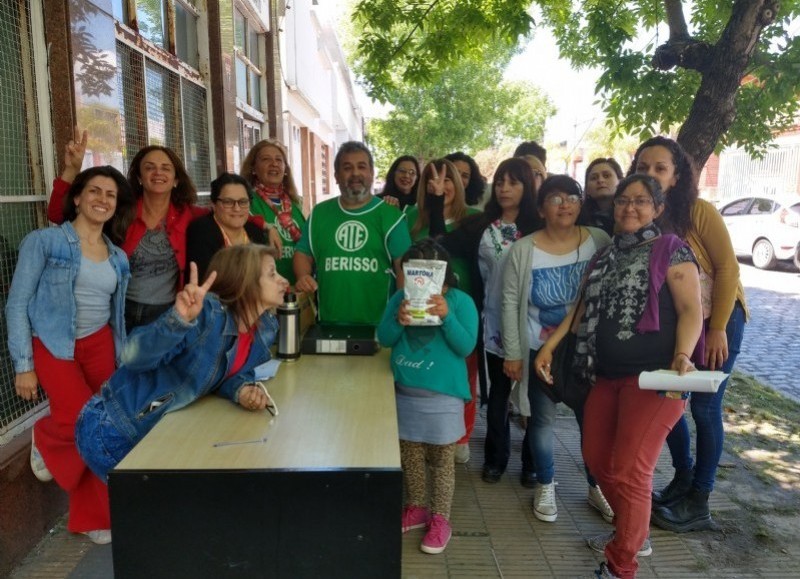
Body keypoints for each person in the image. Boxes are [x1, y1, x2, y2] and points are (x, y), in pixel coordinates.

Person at [534, 174, 704, 579]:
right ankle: (631, 530)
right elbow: (577, 310)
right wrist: (549, 345)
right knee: (596, 460)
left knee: (632, 470)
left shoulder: (671, 250)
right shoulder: (604, 255)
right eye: (624, 200)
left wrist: (683, 354)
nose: (630, 208)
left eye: (641, 201)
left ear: (658, 209)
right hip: (606, 377)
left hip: (656, 381)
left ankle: (622, 563)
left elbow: (691, 310)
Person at [75, 245, 288, 483]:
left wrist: (242, 389)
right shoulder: (207, 315)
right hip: (114, 426)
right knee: (153, 514)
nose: (283, 280)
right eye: (272, 274)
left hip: (155, 431)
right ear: (245, 281)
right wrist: (177, 321)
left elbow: (225, 369)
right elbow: (132, 357)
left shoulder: (264, 329)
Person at [6, 166, 135, 545]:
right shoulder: (44, 242)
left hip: (100, 344)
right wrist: (23, 366)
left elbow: (117, 314)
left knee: (103, 426)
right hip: (53, 342)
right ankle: (46, 435)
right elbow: (17, 304)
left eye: (110, 195)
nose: (102, 200)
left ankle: (94, 517)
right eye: (94, 191)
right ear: (77, 197)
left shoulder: (117, 257)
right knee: (84, 422)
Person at [629, 136, 749, 533]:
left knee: (704, 408)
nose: (650, 175)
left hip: (720, 320)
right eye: (643, 167)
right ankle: (683, 478)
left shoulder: (699, 211)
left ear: (677, 175)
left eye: (660, 168)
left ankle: (700, 499)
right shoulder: (647, 216)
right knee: (670, 400)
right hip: (682, 324)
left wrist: (717, 329)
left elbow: (728, 269)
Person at [48, 128, 276, 330]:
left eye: (166, 168)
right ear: (139, 177)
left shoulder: (188, 215)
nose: (158, 173)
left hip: (167, 313)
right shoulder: (121, 211)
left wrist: (265, 225)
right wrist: (71, 170)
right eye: (150, 168)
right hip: (119, 312)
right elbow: (58, 215)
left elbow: (227, 214)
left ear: (176, 179)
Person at [501, 175, 611, 523]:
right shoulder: (524, 249)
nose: (565, 204)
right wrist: (513, 353)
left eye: (572, 197)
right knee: (542, 421)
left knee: (592, 423)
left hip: (587, 352)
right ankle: (546, 484)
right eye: (555, 198)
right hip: (538, 351)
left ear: (581, 203)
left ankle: (598, 487)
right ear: (541, 208)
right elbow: (509, 302)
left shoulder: (598, 240)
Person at [433, 157, 543, 485]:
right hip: (493, 324)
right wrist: (438, 201)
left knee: (533, 396)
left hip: (535, 325)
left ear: (528, 187)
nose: (505, 189)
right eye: (500, 182)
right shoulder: (482, 225)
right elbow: (441, 242)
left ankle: (532, 462)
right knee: (497, 394)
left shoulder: (540, 227)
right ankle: (496, 459)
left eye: (514, 182)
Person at [377, 239, 479, 555]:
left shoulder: (461, 302)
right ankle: (416, 506)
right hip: (405, 393)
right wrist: (398, 318)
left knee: (441, 461)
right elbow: (384, 338)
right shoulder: (399, 299)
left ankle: (440, 518)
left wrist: (447, 316)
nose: (419, 282)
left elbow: (466, 347)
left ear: (444, 277)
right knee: (410, 456)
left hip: (443, 398)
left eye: (429, 275)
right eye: (411, 273)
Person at [406, 159, 481, 464]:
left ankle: (461, 436)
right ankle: (426, 434)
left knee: (465, 375)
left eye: (448, 179)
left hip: (462, 309)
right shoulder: (412, 218)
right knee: (428, 373)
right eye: (432, 181)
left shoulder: (475, 218)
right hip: (420, 311)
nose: (441, 186)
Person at [293, 141, 412, 325]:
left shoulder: (392, 217)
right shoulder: (319, 213)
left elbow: (403, 267)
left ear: (372, 174)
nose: (355, 173)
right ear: (336, 176)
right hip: (328, 324)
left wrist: (400, 314)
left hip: (379, 328)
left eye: (361, 167)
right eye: (347, 168)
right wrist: (303, 276)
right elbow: (303, 253)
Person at [240, 139, 303, 284]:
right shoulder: (246, 201)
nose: (274, 163)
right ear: (254, 168)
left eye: (279, 160)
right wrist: (266, 226)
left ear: (285, 169)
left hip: (298, 286)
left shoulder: (295, 202)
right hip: (264, 287)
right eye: (266, 159)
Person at [185, 172, 267, 282]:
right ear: (213, 205)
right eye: (228, 202)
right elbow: (205, 282)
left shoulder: (256, 232)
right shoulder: (201, 232)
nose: (237, 208)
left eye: (243, 202)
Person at [579, 157, 624, 236]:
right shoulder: (580, 219)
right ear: (587, 189)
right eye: (594, 178)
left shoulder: (630, 213)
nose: (600, 180)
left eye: (606, 176)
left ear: (620, 181)